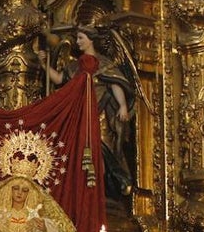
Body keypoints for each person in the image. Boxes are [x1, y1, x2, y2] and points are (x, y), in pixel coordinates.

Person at [39, 26, 137, 201]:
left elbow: (115, 84)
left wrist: (122, 105)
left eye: (81, 38)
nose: (78, 42)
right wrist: (44, 64)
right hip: (80, 115)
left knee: (104, 150)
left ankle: (107, 188)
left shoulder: (104, 63)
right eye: (77, 39)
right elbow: (59, 80)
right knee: (79, 153)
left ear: (91, 40)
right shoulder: (75, 66)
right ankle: (84, 192)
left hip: (100, 115)